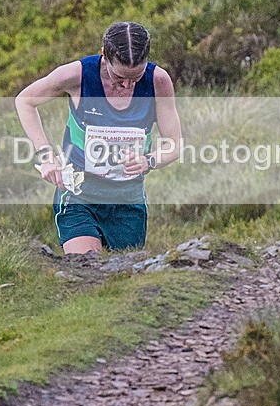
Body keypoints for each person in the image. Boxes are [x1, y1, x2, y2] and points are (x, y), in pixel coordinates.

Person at [15, 22, 182, 254]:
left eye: (136, 77)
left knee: (122, 279)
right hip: (78, 193)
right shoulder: (77, 75)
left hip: (127, 199)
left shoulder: (158, 81)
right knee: (86, 266)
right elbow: (25, 101)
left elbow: (174, 144)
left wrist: (148, 161)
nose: (127, 84)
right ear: (104, 54)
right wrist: (47, 156)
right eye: (119, 76)